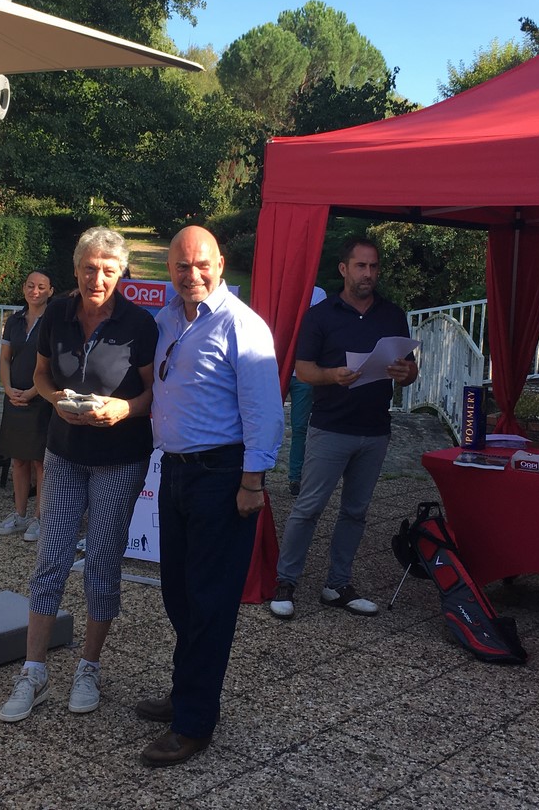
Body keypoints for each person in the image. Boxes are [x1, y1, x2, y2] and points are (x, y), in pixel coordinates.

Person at [137, 225, 283, 767]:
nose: (191, 274)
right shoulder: (167, 320)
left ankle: (194, 723)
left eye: (201, 264)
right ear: (169, 270)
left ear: (220, 265)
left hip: (223, 477)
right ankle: (186, 692)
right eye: (181, 266)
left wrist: (252, 483)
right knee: (178, 593)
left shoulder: (242, 325)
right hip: (176, 473)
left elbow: (265, 411)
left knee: (210, 601)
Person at [0, 227, 157, 724]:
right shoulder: (58, 315)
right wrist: (55, 400)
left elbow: (154, 394)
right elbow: (41, 375)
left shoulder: (139, 324)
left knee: (102, 564)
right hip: (65, 453)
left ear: (122, 272)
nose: (98, 278)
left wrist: (122, 409)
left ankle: (89, 667)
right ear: (76, 269)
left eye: (108, 270)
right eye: (90, 268)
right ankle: (34, 671)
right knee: (51, 557)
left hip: (120, 458)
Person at [270, 235, 418, 621]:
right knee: (308, 508)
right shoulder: (321, 315)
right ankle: (285, 581)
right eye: (360, 266)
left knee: (355, 511)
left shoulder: (392, 314)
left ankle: (337, 584)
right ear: (343, 269)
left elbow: (410, 370)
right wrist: (332, 375)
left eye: (373, 266)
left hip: (375, 429)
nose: (368, 273)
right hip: (331, 427)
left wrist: (407, 373)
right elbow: (303, 370)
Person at [0, 269, 55, 542]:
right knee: (18, 459)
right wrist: (7, 388)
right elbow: (5, 358)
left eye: (41, 286)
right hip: (14, 397)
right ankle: (19, 514)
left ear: (50, 291)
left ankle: (40, 518)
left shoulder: (54, 322)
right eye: (31, 285)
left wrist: (32, 392)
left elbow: (54, 364)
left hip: (41, 400)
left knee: (41, 461)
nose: (35, 291)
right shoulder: (14, 321)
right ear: (24, 288)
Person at [286, 285, 327, 497]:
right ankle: (257, 475)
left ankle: (295, 477)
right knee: (263, 423)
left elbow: (319, 330)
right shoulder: (281, 288)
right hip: (276, 367)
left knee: (300, 427)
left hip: (303, 372)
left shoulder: (318, 294)